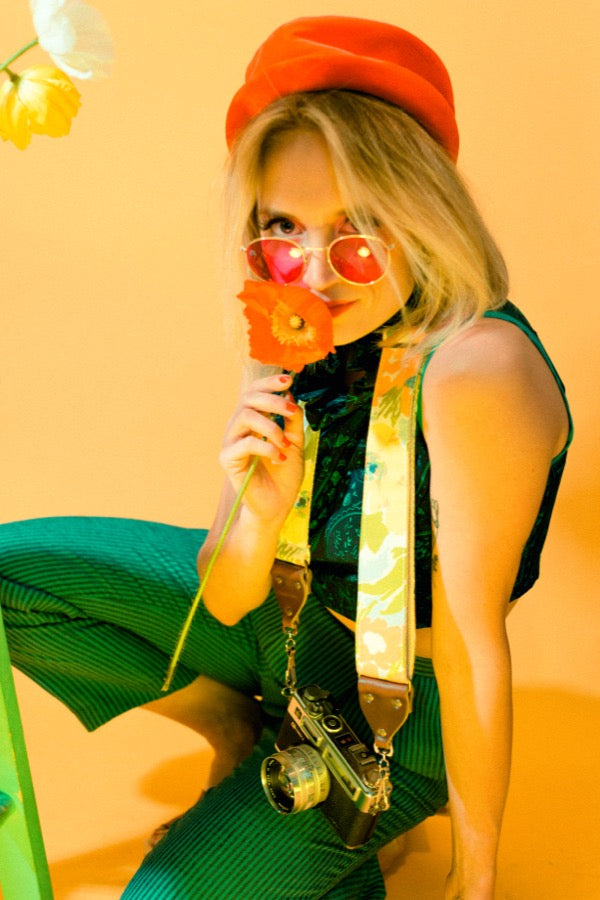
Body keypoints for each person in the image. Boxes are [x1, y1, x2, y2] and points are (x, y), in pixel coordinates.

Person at [0, 16, 572, 899]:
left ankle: (341, 833)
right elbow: (227, 593)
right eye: (282, 228)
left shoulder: (473, 368)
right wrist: (254, 508)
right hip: (283, 628)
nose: (315, 271)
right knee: (12, 574)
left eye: (358, 229)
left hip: (396, 701)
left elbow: (468, 647)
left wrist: (479, 874)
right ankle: (246, 737)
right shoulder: (288, 318)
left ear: (423, 215)